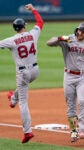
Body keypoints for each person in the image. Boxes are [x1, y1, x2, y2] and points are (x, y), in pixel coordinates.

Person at [46, 22, 84, 142]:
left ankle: (82, 130)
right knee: (71, 105)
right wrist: (60, 38)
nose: (80, 33)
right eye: (79, 30)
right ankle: (74, 131)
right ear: (76, 30)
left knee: (82, 101)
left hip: (83, 77)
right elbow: (49, 43)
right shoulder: (68, 39)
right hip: (69, 76)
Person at [0, 4, 44, 143]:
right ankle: (13, 98)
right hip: (35, 71)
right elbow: (40, 22)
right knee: (22, 89)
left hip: (23, 73)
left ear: (15, 29)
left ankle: (27, 132)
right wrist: (33, 10)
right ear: (24, 26)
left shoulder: (11, 40)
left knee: (23, 102)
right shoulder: (32, 34)